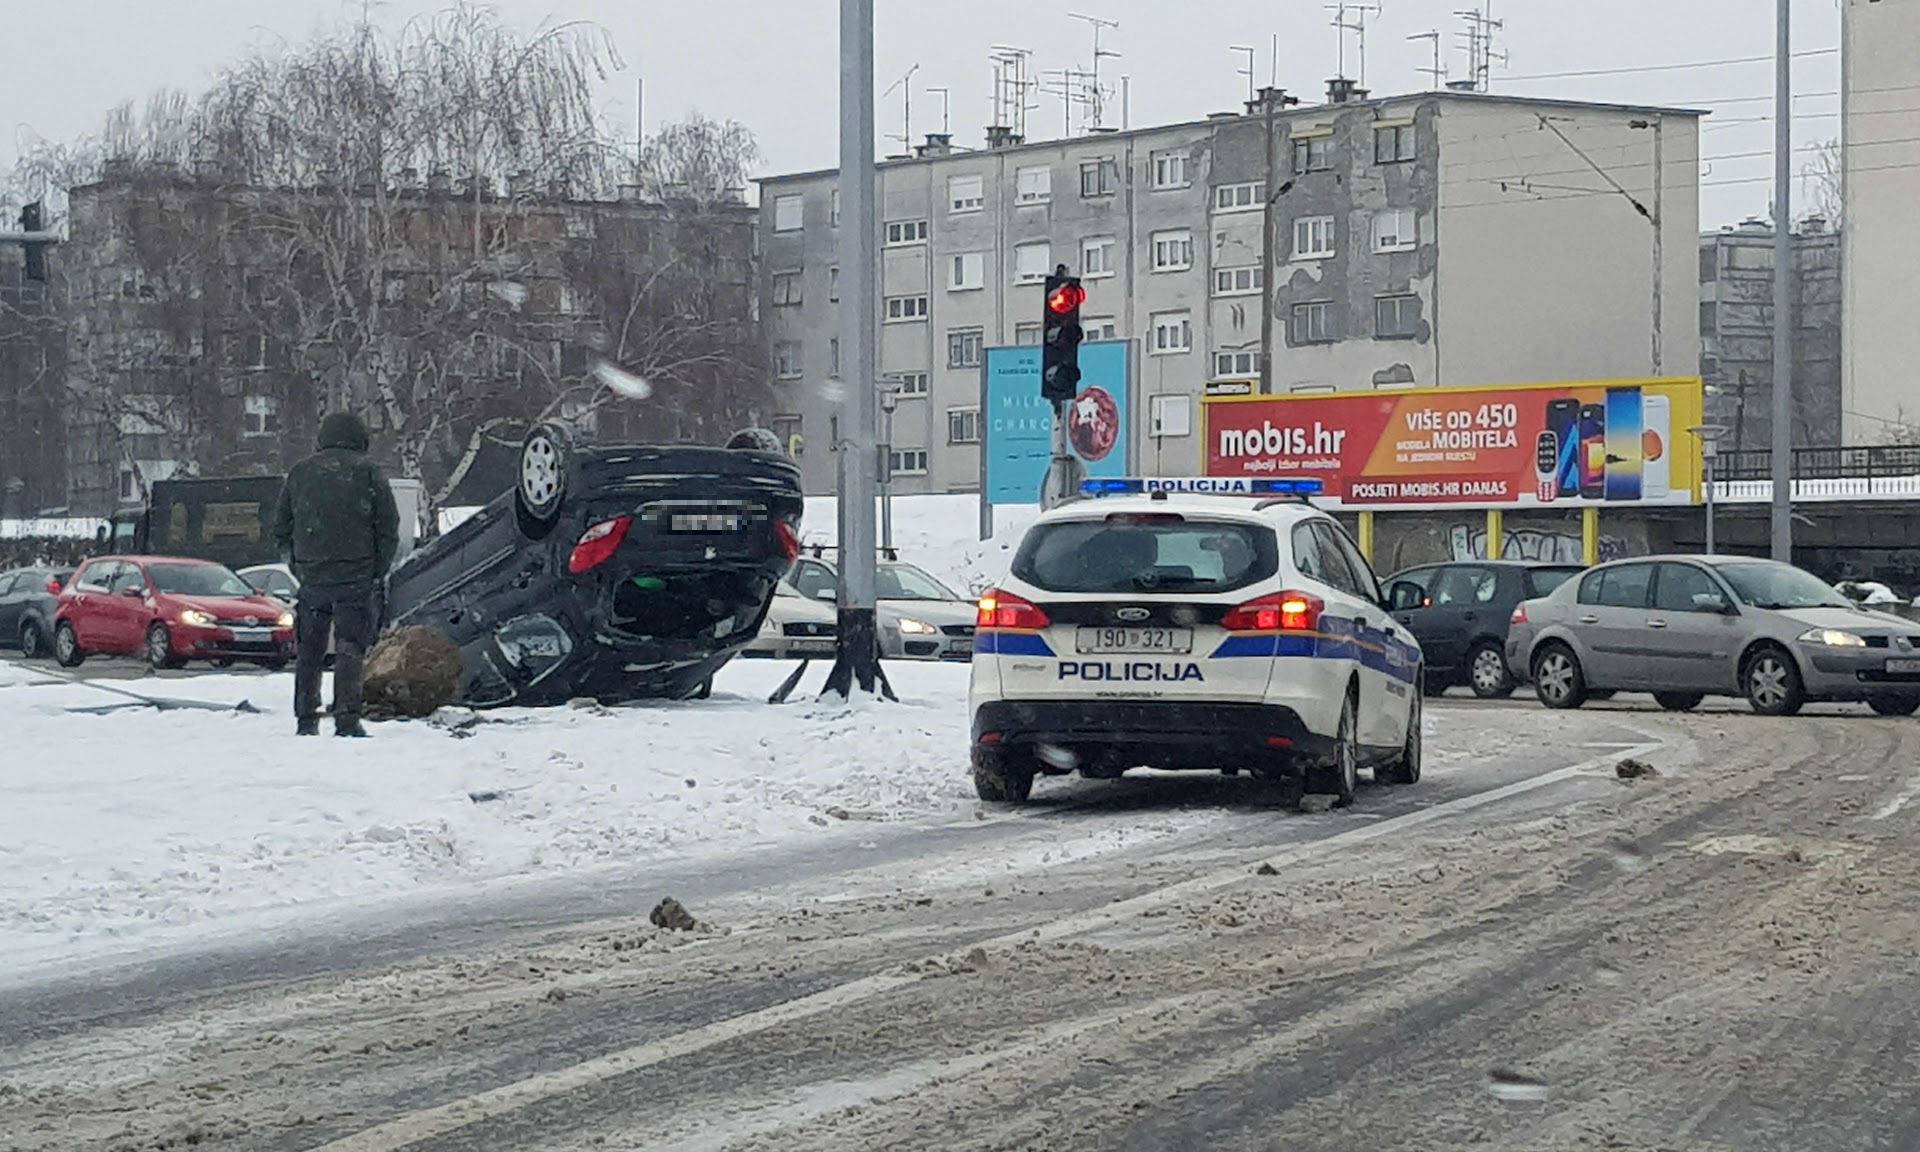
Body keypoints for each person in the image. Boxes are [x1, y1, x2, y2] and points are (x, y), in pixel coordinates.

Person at [272, 412, 398, 737]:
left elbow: (280, 527)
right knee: (350, 648)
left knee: (309, 652)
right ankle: (347, 718)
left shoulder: (300, 473)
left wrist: (298, 566)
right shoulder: (369, 473)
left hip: (312, 579)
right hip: (355, 578)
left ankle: (306, 717)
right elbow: (388, 528)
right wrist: (376, 570)